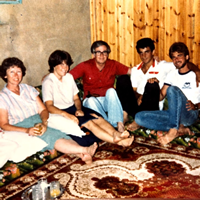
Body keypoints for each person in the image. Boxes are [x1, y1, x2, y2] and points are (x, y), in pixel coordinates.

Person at [0, 57, 98, 165]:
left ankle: (82, 155)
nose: (16, 75)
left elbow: (43, 110)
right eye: (12, 72)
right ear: (5, 75)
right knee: (50, 136)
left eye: (18, 71)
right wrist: (27, 130)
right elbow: (4, 124)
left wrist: (44, 123)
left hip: (38, 119)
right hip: (21, 124)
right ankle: (85, 150)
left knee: (60, 131)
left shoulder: (27, 89)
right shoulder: (3, 97)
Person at [42, 50, 134, 148]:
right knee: (89, 122)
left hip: (73, 108)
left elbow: (76, 98)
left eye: (67, 65)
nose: (65, 68)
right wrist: (67, 115)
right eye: (61, 65)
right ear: (53, 65)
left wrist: (79, 109)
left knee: (97, 117)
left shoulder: (68, 77)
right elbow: (49, 106)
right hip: (60, 111)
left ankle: (117, 134)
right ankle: (119, 142)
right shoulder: (48, 82)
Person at [116, 38, 200, 131]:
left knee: (160, 86)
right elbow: (136, 92)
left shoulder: (164, 66)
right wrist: (141, 96)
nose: (144, 56)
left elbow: (184, 64)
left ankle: (173, 129)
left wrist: (197, 71)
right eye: (141, 53)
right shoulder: (136, 70)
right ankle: (126, 115)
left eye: (146, 52)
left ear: (153, 51)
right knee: (123, 80)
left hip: (163, 108)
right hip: (145, 106)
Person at [135, 42, 200, 145]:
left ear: (187, 57)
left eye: (179, 56)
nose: (176, 60)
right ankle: (181, 128)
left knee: (172, 90)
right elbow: (160, 97)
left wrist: (196, 106)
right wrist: (153, 86)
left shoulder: (196, 76)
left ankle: (173, 131)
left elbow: (171, 91)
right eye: (173, 57)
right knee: (139, 117)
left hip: (189, 114)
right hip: (173, 114)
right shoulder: (172, 74)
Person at [69, 40, 131, 132]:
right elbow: (68, 77)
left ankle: (119, 124)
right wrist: (51, 75)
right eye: (98, 52)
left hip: (107, 101)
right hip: (91, 101)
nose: (101, 55)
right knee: (91, 101)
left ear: (108, 54)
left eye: (104, 52)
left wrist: (151, 64)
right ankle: (109, 126)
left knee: (111, 91)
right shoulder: (85, 65)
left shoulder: (113, 64)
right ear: (94, 54)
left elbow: (132, 71)